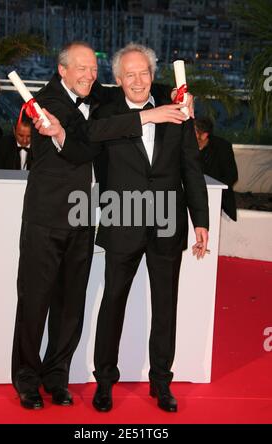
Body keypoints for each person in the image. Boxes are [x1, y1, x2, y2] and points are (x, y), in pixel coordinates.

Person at [12, 40, 190, 410]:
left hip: (82, 218)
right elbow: (83, 144)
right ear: (62, 70)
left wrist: (176, 94)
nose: (88, 75)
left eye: (93, 69)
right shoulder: (47, 102)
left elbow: (138, 85)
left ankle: (56, 377)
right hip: (45, 220)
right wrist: (58, 133)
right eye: (81, 68)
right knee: (35, 304)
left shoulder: (96, 97)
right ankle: (27, 380)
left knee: (70, 306)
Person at [87, 43, 209, 413]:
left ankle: (161, 382)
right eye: (130, 74)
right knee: (113, 304)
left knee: (166, 307)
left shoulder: (177, 109)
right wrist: (150, 117)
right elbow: (91, 135)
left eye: (144, 73)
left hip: (168, 224)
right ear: (118, 79)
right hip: (123, 220)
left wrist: (200, 219)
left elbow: (191, 168)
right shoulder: (106, 112)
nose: (138, 81)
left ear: (153, 75)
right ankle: (104, 381)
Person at [194, 117, 238, 221]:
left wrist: (212, 190)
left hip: (216, 200)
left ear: (204, 135)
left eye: (193, 132)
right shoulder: (186, 147)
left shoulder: (222, 147)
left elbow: (231, 176)